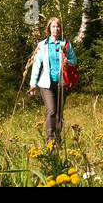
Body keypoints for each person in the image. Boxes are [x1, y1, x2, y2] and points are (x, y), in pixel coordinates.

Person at [28, 17, 76, 146]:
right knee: (51, 111)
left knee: (59, 113)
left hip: (61, 83)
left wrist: (67, 61)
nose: (56, 29)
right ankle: (50, 141)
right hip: (46, 84)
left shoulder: (65, 44)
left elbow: (74, 60)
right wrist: (33, 85)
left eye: (58, 26)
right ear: (49, 28)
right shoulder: (42, 45)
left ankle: (58, 141)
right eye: (54, 26)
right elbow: (36, 65)